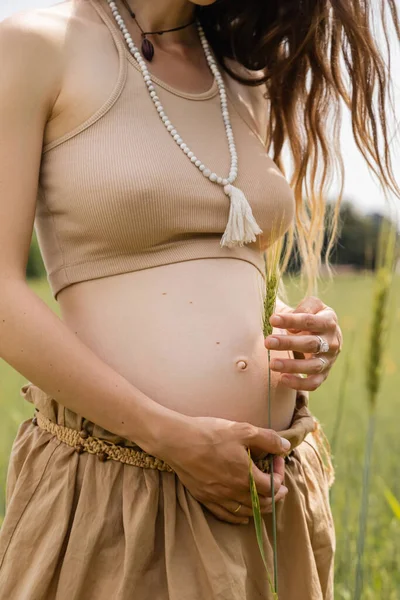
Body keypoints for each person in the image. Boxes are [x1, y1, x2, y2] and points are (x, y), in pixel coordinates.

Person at [0, 0, 397, 599]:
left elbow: (224, 271)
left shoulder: (240, 76)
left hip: (267, 492)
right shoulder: (40, 44)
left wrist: (310, 338)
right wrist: (170, 436)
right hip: (123, 493)